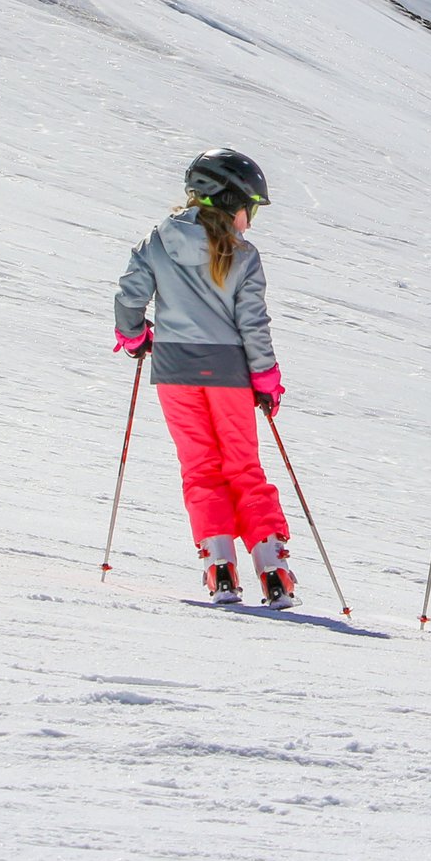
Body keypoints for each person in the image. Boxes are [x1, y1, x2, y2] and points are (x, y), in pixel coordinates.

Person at [113, 148, 297, 609]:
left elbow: (130, 295)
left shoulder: (157, 240)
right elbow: (253, 325)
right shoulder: (245, 256)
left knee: (200, 469)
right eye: (248, 209)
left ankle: (220, 571)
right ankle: (273, 572)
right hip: (230, 374)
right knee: (243, 468)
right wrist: (266, 379)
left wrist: (134, 337)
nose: (249, 222)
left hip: (174, 371)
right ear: (229, 200)